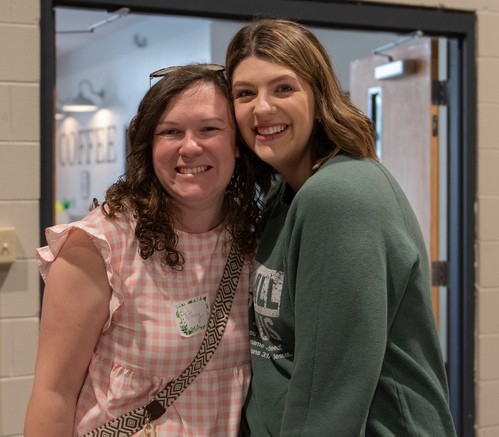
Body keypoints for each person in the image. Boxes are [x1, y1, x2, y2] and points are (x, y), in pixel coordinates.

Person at [225, 18, 457, 436]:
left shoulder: (338, 197)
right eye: (245, 93)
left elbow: (330, 396)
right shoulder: (283, 193)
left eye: (283, 88)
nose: (262, 108)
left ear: (319, 97)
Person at [24, 64, 261, 437]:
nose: (190, 147)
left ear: (237, 143)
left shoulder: (254, 236)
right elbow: (53, 394)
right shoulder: (99, 243)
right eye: (170, 131)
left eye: (209, 129)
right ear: (149, 146)